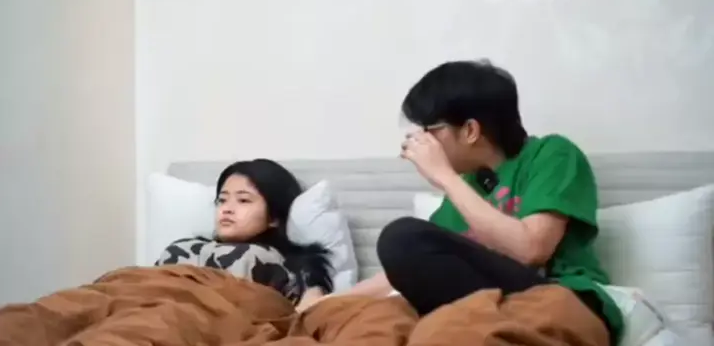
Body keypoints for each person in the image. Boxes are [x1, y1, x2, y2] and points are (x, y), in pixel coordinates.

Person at [346, 60, 624, 345]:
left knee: (401, 237)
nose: (421, 140)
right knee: (391, 292)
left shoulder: (552, 154)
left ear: (470, 130)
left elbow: (531, 249)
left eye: (430, 129)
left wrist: (445, 177)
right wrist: (332, 300)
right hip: (489, 308)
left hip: (558, 297)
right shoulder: (466, 189)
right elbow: (408, 267)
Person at [156, 158, 333, 310]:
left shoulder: (292, 267)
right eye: (222, 200)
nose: (227, 209)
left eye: (243, 200)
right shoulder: (184, 247)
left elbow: (307, 315)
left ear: (274, 217)